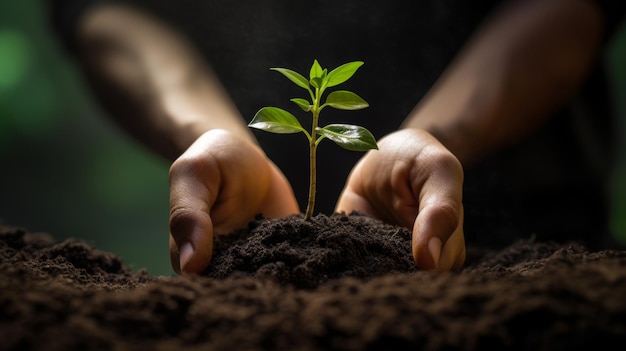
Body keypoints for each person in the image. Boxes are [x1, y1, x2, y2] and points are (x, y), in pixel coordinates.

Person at [47, 0, 625, 275]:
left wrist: (438, 135)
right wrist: (210, 133)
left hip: (524, 253)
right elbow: (107, 11)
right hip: (251, 264)